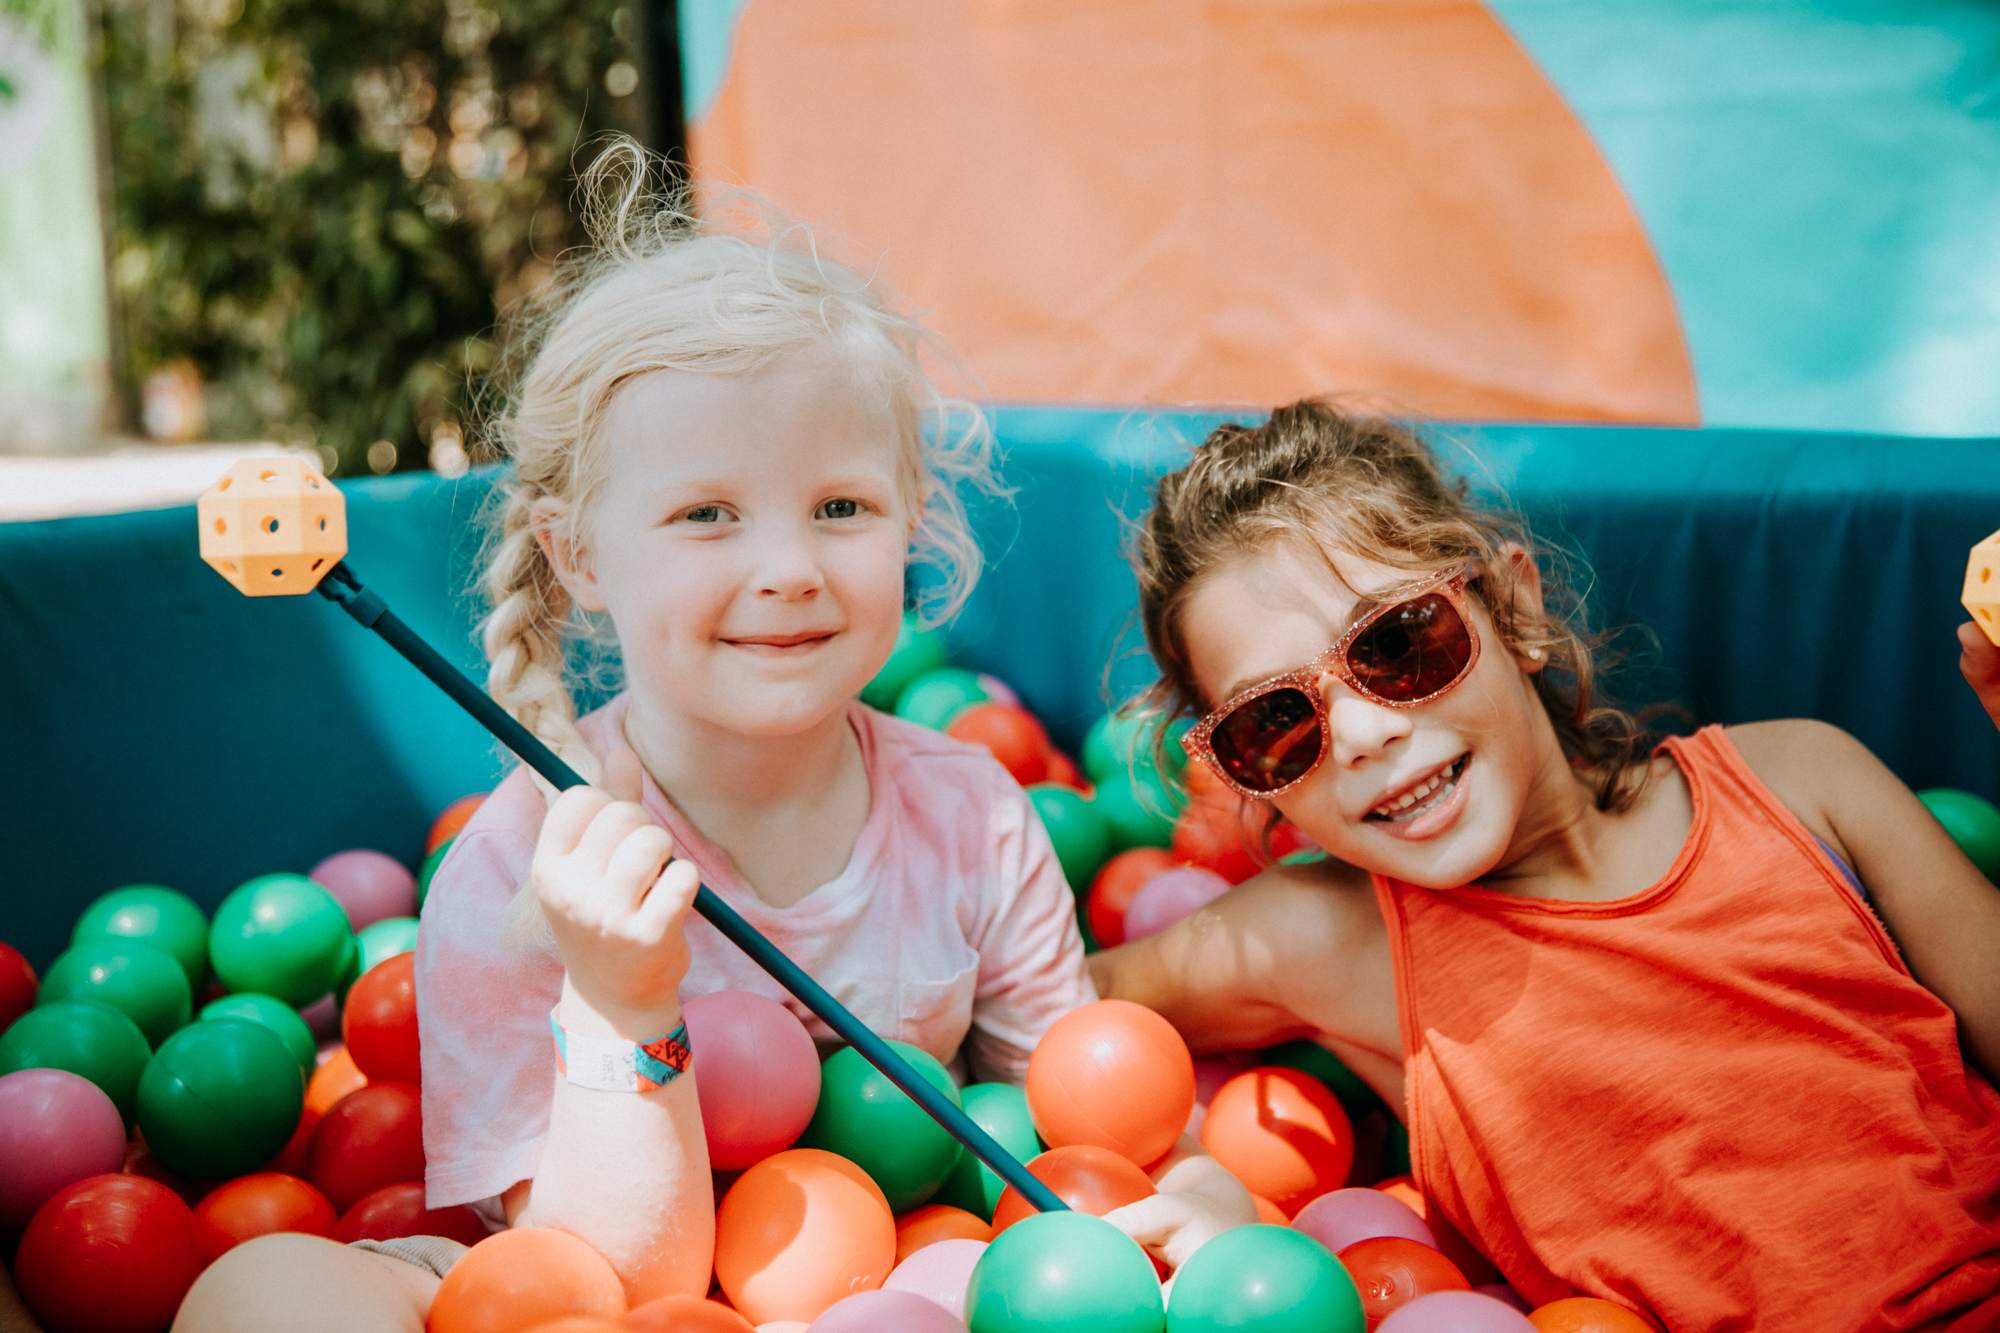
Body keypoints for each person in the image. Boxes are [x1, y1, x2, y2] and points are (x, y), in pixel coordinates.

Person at [175, 136, 1094, 1329]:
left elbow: (1082, 1136)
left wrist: (1172, 1199)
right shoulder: (515, 874)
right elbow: (606, 1287)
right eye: (707, 513)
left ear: (908, 517)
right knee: (264, 1286)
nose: (788, 569)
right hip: (586, 1271)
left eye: (840, 507)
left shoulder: (972, 809)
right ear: (579, 557)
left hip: (910, 1282)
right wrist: (620, 1001)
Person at [1091, 398, 2000, 1329]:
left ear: (1513, 606)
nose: (1362, 733)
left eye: (1397, 642)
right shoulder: (1330, 936)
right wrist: (1203, 1182)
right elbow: (1057, 1006)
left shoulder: (1799, 779)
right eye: (1274, 723)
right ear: (1252, 782)